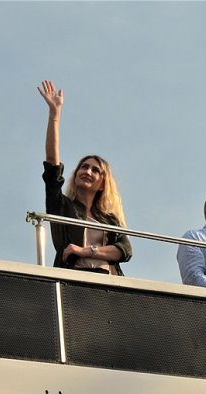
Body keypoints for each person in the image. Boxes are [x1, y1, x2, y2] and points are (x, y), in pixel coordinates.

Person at [38, 80, 132, 275]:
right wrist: (55, 115)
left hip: (108, 282)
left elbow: (125, 250)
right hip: (74, 279)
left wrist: (84, 251)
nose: (87, 172)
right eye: (84, 167)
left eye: (95, 170)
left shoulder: (109, 219)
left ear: (103, 184)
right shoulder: (62, 206)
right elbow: (52, 167)